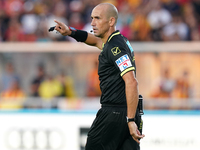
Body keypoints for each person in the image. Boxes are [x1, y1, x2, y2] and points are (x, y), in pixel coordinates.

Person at [53, 3, 144, 150]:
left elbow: (132, 82)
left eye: (97, 18)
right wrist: (70, 31)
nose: (92, 23)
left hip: (114, 115)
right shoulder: (117, 41)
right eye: (91, 18)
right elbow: (94, 40)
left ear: (111, 21)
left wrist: (131, 120)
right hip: (128, 114)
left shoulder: (115, 47)